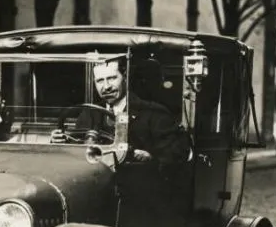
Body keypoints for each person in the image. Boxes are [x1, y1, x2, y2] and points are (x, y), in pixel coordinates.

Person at [55, 58, 190, 165]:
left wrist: (150, 157)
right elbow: (77, 151)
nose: (106, 87)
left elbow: (177, 154)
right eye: (100, 81)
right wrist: (61, 143)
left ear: (125, 77)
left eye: (112, 78)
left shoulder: (153, 113)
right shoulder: (89, 113)